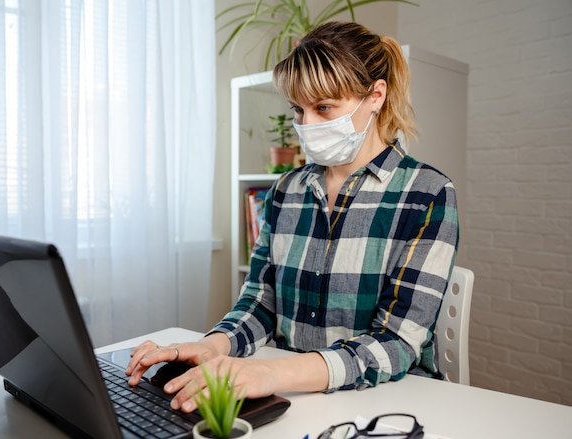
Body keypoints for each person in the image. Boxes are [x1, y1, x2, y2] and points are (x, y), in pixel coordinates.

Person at [126, 21, 459, 413]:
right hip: (294, 400)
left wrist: (271, 374)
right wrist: (208, 347)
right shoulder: (286, 192)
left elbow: (397, 343)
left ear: (375, 96)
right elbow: (260, 302)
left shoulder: (428, 194)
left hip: (385, 405)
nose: (307, 125)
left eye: (324, 108)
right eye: (298, 110)